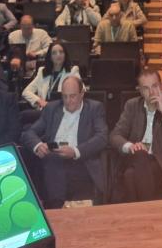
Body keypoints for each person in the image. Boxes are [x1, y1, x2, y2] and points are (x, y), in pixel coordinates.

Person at [22, 74, 108, 208]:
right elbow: (29, 133)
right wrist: (38, 145)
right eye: (65, 96)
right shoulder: (52, 109)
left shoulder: (94, 108)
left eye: (72, 96)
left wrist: (75, 151)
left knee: (57, 169)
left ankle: (57, 207)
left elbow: (102, 137)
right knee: (50, 162)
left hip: (80, 160)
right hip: (52, 159)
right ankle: (56, 207)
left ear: (82, 94)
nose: (68, 101)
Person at [110, 68, 162, 202]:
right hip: (134, 159)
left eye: (155, 86)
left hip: (160, 164)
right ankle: (149, 209)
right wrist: (130, 146)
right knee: (140, 154)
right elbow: (115, 135)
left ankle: (139, 212)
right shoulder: (132, 106)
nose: (152, 92)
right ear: (140, 91)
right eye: (146, 88)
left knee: (130, 176)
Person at [21, 41, 80, 112]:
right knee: (24, 114)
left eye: (61, 52)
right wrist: (40, 101)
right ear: (50, 57)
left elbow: (81, 91)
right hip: (45, 111)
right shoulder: (42, 72)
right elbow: (26, 92)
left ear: (65, 55)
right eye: (54, 53)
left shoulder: (72, 71)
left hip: (63, 111)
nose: (58, 55)